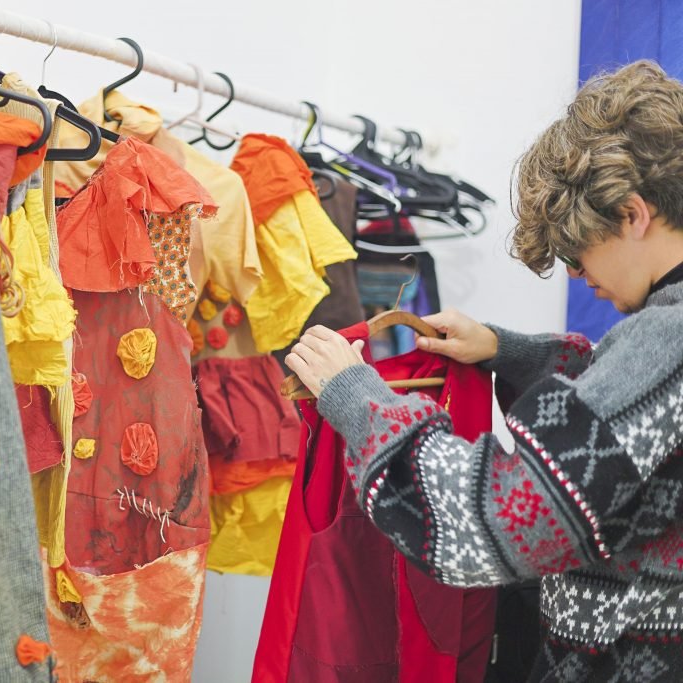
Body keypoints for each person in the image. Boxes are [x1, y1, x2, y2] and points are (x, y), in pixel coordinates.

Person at [285, 59, 683, 682]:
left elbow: (493, 521)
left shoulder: (667, 336)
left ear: (633, 215)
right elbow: (642, 431)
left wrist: (357, 397)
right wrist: (507, 349)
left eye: (577, 254)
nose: (581, 278)